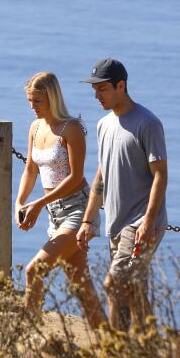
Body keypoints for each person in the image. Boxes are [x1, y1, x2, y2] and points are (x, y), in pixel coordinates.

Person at [75, 58, 168, 330]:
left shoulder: (148, 123)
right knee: (133, 291)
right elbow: (101, 176)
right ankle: (144, 351)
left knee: (114, 284)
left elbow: (161, 175)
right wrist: (88, 220)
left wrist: (149, 222)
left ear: (121, 86)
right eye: (94, 89)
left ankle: (116, 351)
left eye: (102, 89)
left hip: (140, 222)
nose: (96, 96)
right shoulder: (104, 125)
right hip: (116, 223)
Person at [15, 71, 106, 327]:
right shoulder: (35, 127)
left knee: (34, 271)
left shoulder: (72, 128)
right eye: (30, 101)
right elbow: (31, 170)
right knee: (80, 284)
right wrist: (19, 203)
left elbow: (76, 177)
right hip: (54, 213)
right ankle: (109, 341)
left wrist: (38, 204)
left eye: (38, 101)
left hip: (77, 209)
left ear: (52, 98)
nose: (33, 107)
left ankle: (29, 334)